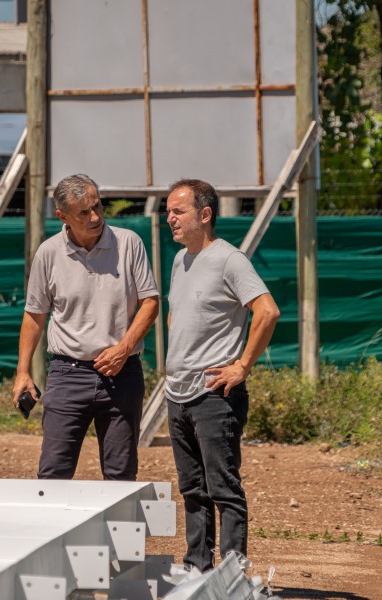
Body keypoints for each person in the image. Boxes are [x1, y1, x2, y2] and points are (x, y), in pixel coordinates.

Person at [164, 179, 280, 571]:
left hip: (215, 395)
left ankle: (232, 577)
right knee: (192, 490)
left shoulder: (231, 260)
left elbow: (267, 311)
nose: (170, 219)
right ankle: (198, 569)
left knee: (223, 489)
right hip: (177, 394)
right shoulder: (180, 261)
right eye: (168, 211)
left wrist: (242, 365)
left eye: (178, 211)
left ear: (205, 214)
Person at [12, 173, 160, 481]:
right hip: (67, 374)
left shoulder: (129, 243)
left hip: (122, 372)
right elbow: (34, 315)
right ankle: (54, 530)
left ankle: (121, 531)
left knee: (121, 475)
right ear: (62, 216)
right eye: (84, 212)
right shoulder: (48, 253)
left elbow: (150, 303)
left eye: (97, 207)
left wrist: (123, 348)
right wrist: (23, 372)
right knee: (53, 473)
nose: (94, 217)